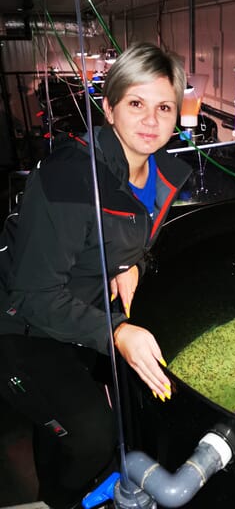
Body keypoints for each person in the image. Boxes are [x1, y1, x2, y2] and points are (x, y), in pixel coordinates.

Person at [0, 42, 191, 508]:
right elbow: (33, 293)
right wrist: (118, 331)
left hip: (75, 313)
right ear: (109, 108)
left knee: (68, 427)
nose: (150, 120)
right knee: (91, 434)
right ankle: (61, 502)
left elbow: (133, 240)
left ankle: (54, 481)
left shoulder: (162, 174)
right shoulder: (70, 176)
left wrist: (134, 266)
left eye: (163, 106)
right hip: (19, 324)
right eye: (136, 104)